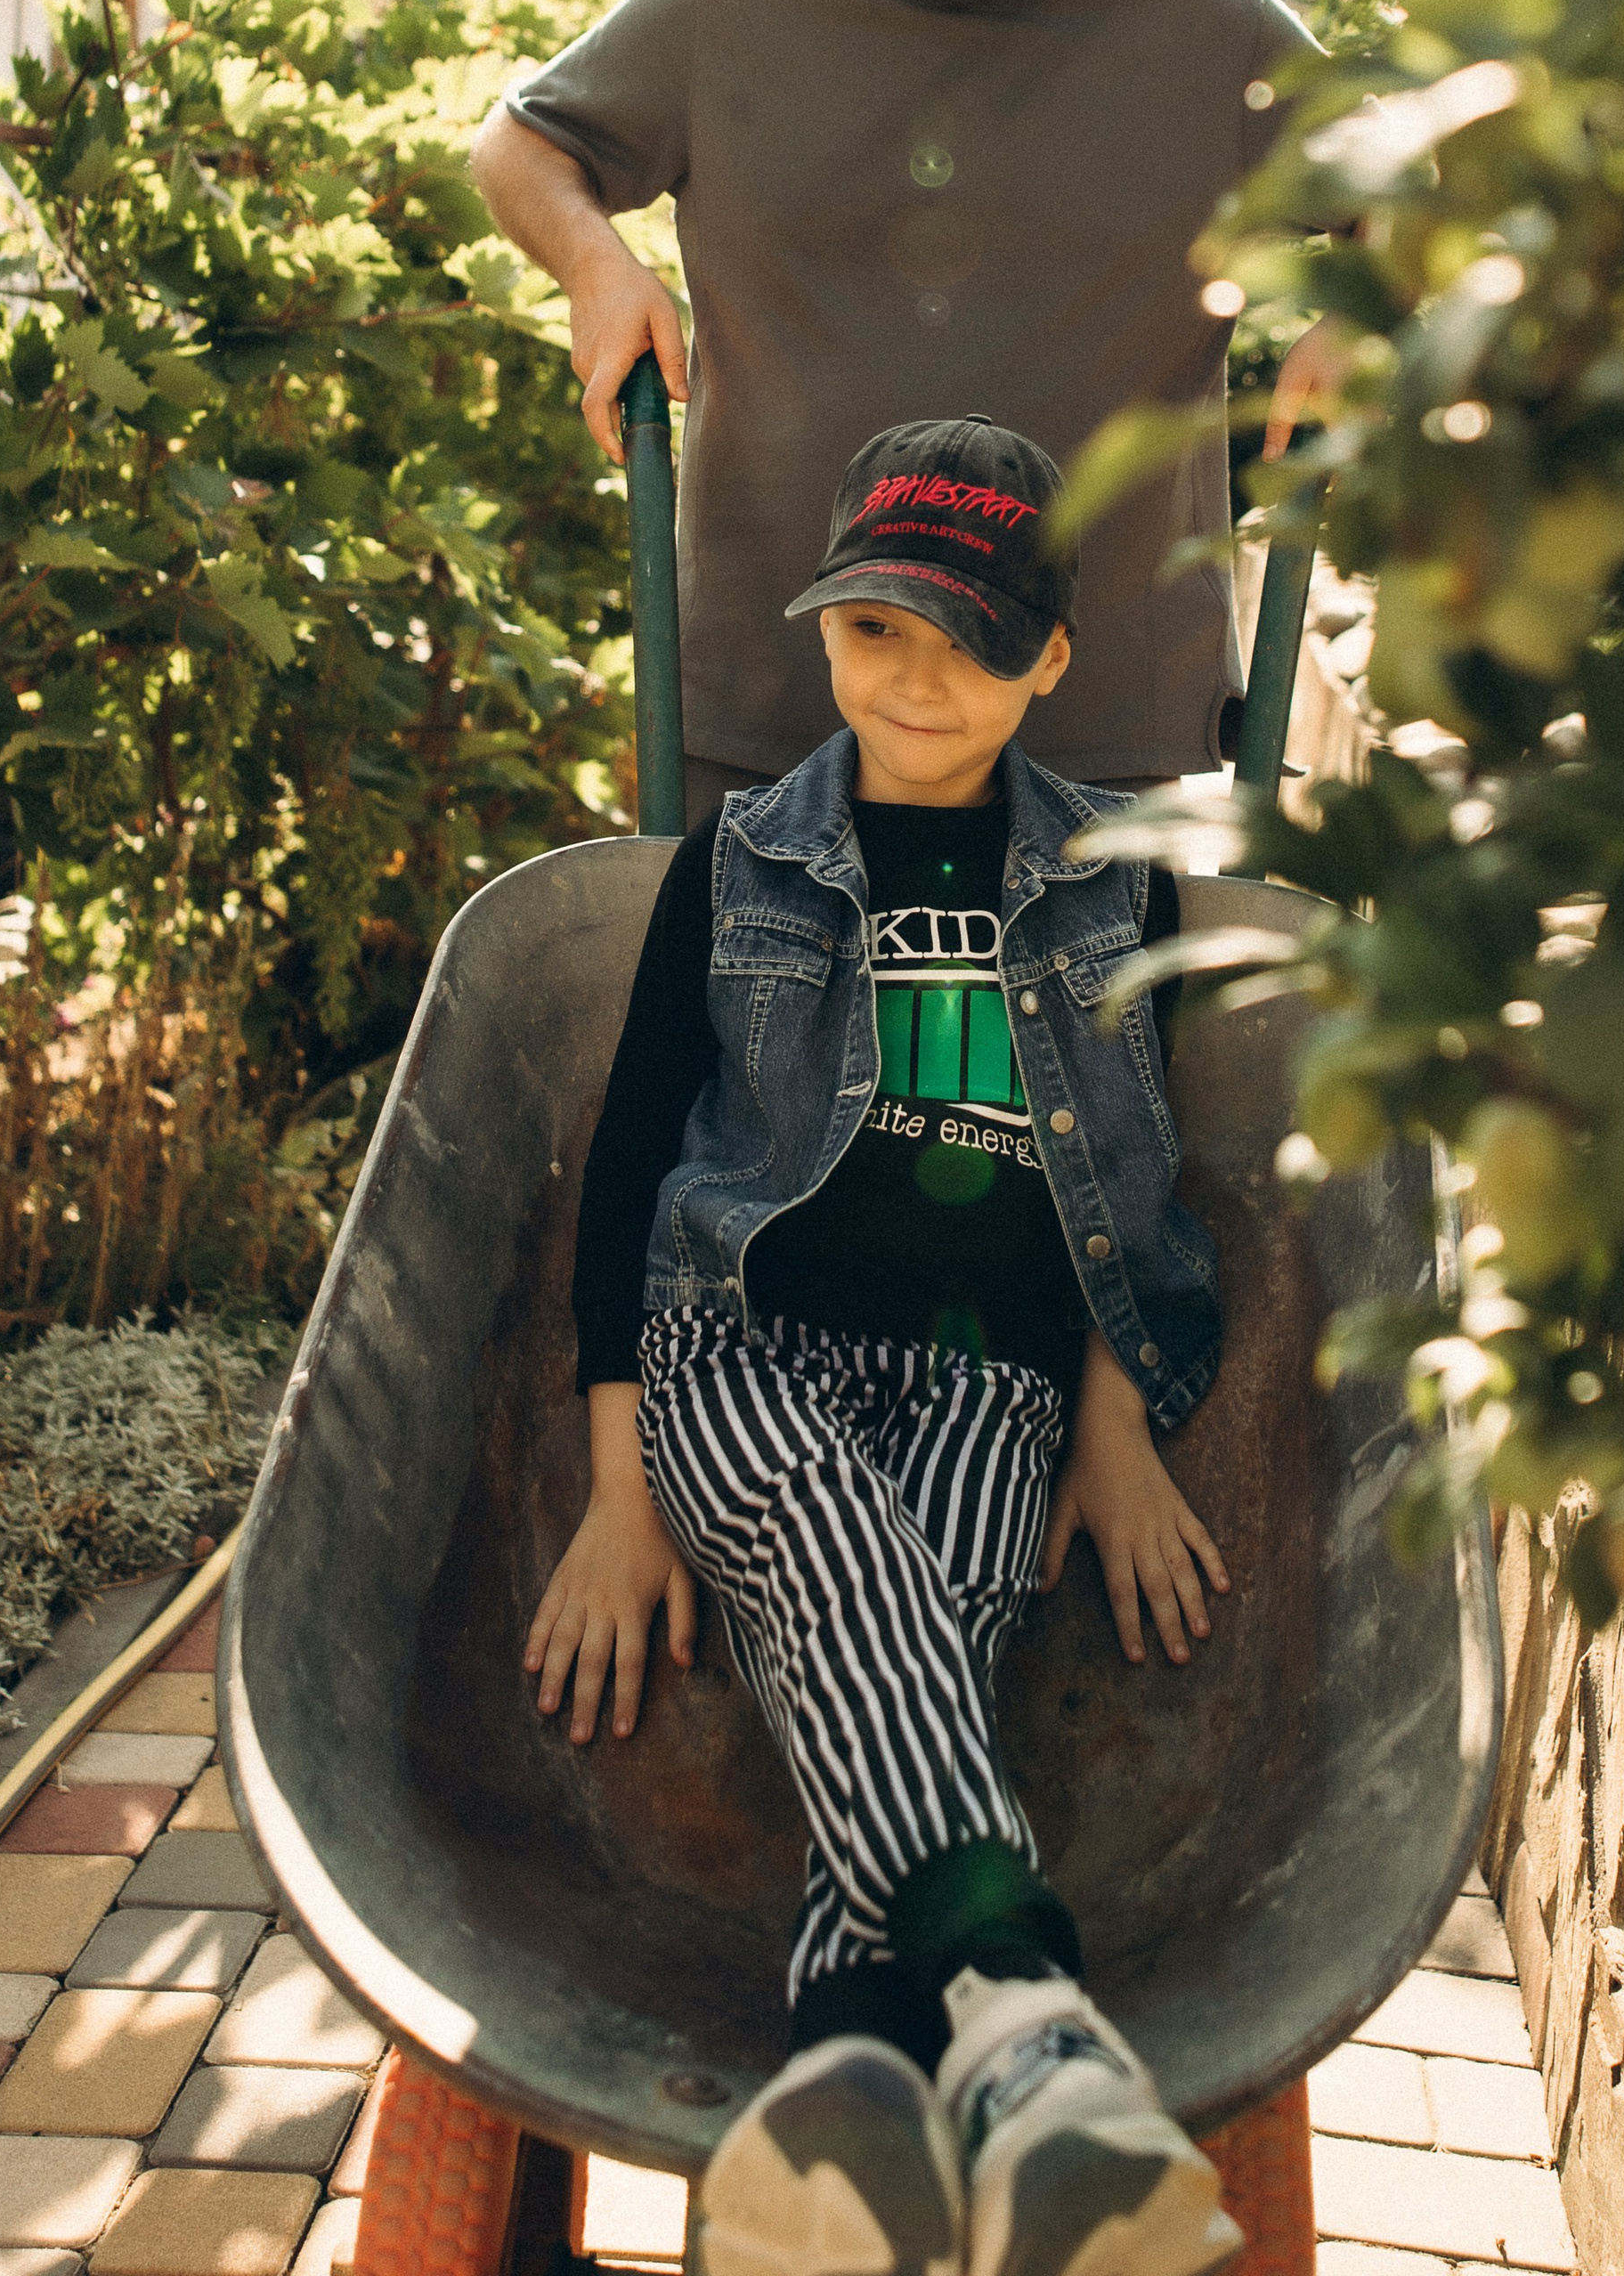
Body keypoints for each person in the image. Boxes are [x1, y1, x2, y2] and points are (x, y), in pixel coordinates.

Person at [525, 414, 1242, 2276]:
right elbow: (628, 1182)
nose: (914, 684)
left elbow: (1129, 1189)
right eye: (871, 635)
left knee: (898, 1621)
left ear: (1052, 660)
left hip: (994, 1379)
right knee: (846, 1557)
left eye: (970, 643)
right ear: (821, 634)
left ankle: (850, 2065)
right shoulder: (737, 863)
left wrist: (1111, 1425)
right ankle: (1023, 2009)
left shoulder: (1114, 883)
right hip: (738, 1354)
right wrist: (619, 1494)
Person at [469, 0, 1340, 825]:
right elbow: (521, 143)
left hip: (1101, 751)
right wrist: (596, 265)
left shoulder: (1207, 30)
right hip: (766, 733)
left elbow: (1432, 197)